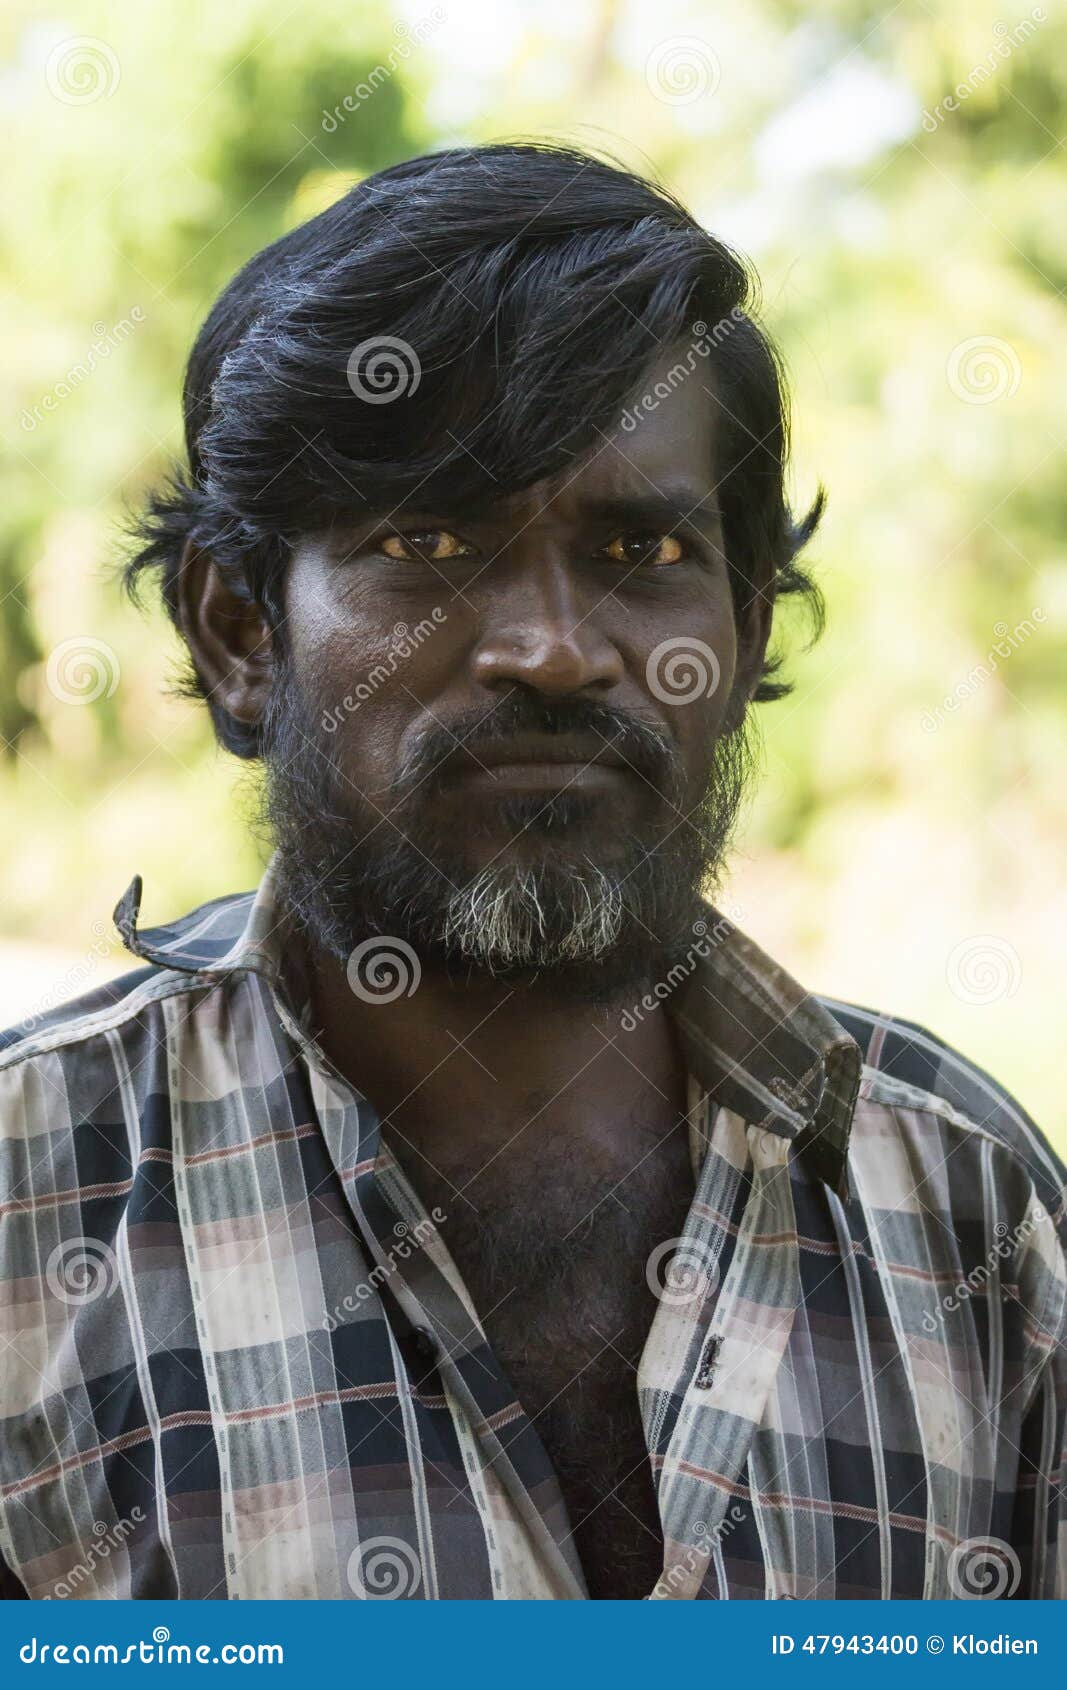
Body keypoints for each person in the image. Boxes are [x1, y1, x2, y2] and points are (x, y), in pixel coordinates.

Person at [0, 143, 1062, 1602]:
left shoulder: (967, 1203)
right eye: (428, 539)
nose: (553, 648)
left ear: (746, 634)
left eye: (642, 545)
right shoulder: (30, 1211)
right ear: (243, 632)